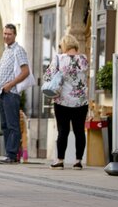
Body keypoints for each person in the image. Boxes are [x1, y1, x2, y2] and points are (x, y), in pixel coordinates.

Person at [45, 34, 89, 169]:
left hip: (62, 101)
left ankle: (60, 160)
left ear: (64, 45)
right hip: (80, 102)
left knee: (62, 131)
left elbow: (48, 75)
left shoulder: (59, 58)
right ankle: (78, 161)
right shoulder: (83, 59)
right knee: (79, 131)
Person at [0, 23, 29, 164]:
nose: (6, 36)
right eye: (5, 33)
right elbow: (0, 76)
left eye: (9, 34)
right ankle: (9, 154)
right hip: (2, 93)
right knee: (5, 125)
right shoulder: (5, 51)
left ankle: (12, 155)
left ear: (15, 35)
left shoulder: (18, 50)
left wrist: (10, 85)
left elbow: (26, 72)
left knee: (13, 125)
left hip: (11, 93)